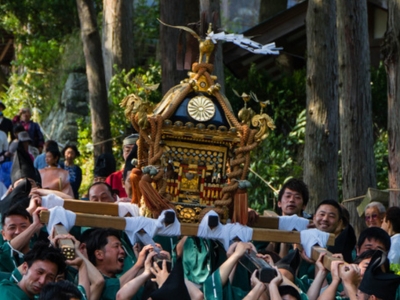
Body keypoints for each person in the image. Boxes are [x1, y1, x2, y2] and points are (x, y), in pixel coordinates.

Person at [0, 241, 66, 299]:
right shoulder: (6, 293)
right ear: (25, 268)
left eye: (50, 277)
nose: (42, 281)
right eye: (40, 272)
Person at [106, 134, 139, 199]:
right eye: (127, 151)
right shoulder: (113, 178)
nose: (130, 155)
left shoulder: (151, 175)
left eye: (135, 151)